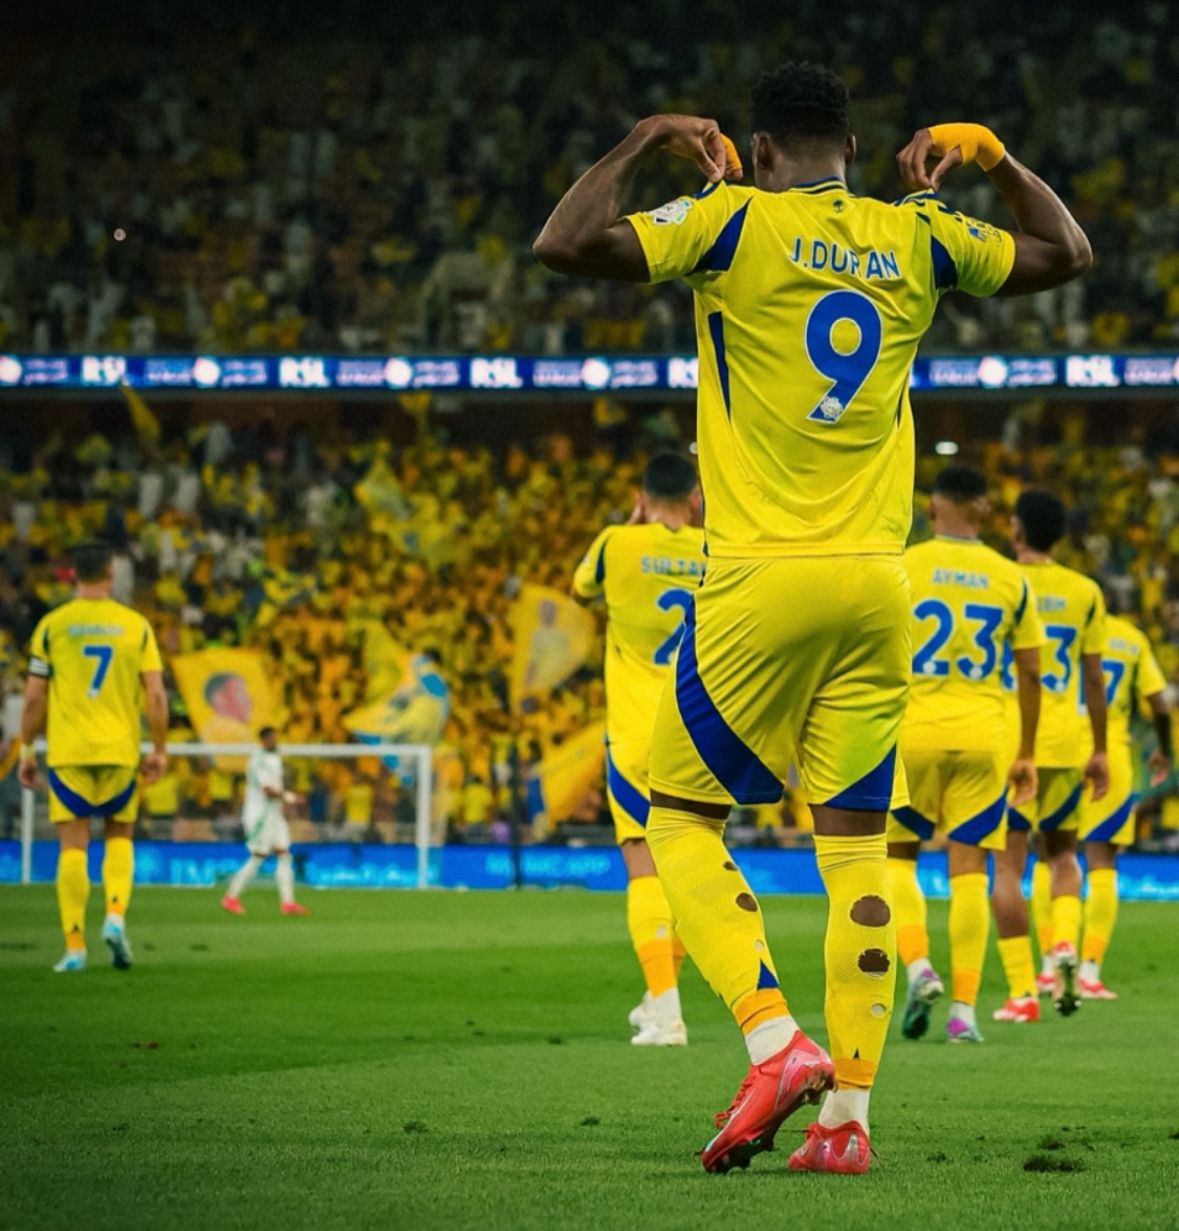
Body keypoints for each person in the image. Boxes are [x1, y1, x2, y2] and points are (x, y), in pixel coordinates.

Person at [534, 61, 1091, 1173]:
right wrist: (994, 156)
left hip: (760, 574)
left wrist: (646, 137)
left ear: (759, 147)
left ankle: (774, 1036)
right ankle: (849, 1121)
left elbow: (566, 242)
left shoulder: (731, 221)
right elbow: (1065, 255)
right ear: (849, 142)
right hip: (884, 585)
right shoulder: (916, 234)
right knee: (859, 859)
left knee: (677, 817)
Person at [887, 465, 1042, 1045]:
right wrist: (1024, 751)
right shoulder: (1010, 578)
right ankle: (964, 1014)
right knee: (970, 873)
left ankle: (919, 965)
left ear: (931, 509)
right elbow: (1031, 672)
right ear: (984, 510)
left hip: (912, 732)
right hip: (984, 737)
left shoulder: (903, 567)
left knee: (896, 860)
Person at [572, 451, 706, 1047]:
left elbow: (581, 592)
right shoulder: (716, 550)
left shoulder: (613, 543)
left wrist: (632, 530)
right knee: (689, 867)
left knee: (642, 863)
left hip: (635, 732)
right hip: (701, 732)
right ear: (696, 497)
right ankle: (658, 999)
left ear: (642, 495)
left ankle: (669, 1013)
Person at [18, 539, 168, 972]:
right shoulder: (135, 626)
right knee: (119, 836)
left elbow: (32, 699)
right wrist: (158, 749)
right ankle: (116, 917)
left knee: (73, 846)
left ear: (72, 574)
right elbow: (155, 694)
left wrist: (27, 750)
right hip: (120, 752)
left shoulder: (52, 626)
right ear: (111, 573)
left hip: (68, 754)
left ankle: (74, 947)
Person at [990, 491, 1109, 1023]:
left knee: (1009, 865)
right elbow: (1093, 680)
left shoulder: (1003, 581)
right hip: (1067, 740)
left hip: (1014, 742)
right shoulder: (1085, 591)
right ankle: (1062, 945)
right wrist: (1101, 748)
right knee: (1063, 856)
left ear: (1017, 530)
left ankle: (1022, 991)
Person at [1051, 597, 1170, 999]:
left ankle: (1051, 963)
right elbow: (1159, 703)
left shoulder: (1067, 629)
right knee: (1103, 861)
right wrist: (1165, 749)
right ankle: (1089, 970)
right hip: (1111, 752)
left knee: (1052, 850)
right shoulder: (1132, 639)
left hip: (1060, 746)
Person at [220, 727, 309, 916]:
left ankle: (288, 903)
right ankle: (230, 897)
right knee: (258, 856)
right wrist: (290, 797)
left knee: (284, 853)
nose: (275, 742)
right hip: (260, 816)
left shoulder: (274, 758)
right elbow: (268, 790)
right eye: (271, 739)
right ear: (263, 740)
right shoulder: (257, 760)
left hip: (274, 815)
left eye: (276, 738)